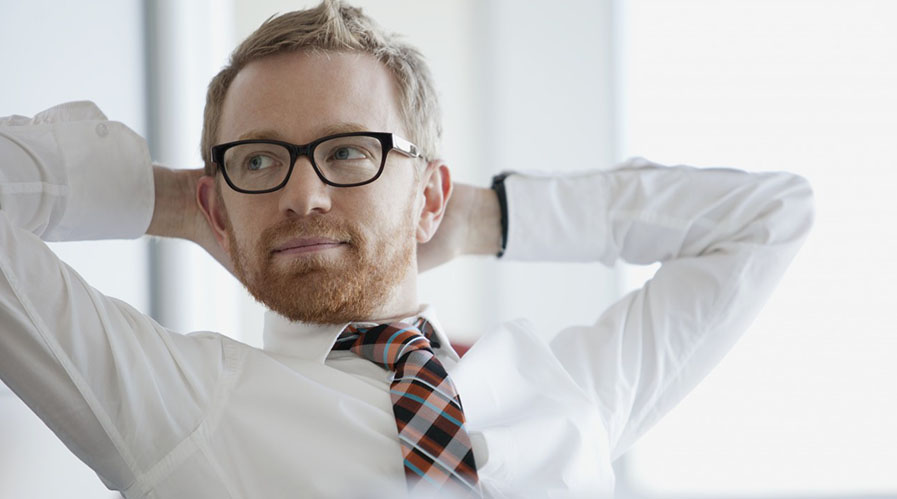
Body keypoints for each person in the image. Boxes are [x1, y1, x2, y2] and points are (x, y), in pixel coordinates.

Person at [0, 1, 814, 497]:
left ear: (428, 193)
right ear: (219, 205)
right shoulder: (176, 404)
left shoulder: (565, 392)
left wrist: (492, 217)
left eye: (348, 151)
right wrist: (175, 200)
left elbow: (769, 215)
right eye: (259, 159)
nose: (301, 193)